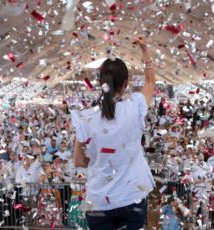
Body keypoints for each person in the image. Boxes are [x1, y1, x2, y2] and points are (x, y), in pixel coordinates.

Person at [71, 35, 155, 229]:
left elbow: (79, 161)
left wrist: (102, 160)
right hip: (131, 197)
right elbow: (150, 82)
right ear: (126, 83)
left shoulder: (85, 118)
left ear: (101, 83)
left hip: (99, 201)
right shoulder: (135, 107)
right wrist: (145, 49)